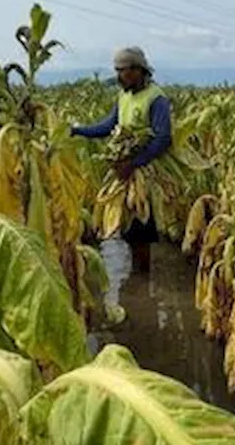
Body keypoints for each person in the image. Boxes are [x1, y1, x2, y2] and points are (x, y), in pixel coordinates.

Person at [69, 46, 172, 274]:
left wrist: (133, 163)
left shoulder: (156, 99)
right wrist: (77, 131)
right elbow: (108, 126)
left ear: (138, 70)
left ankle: (144, 280)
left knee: (141, 229)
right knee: (126, 227)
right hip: (124, 170)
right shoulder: (124, 96)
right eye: (117, 70)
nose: (118, 76)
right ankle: (136, 278)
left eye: (123, 71)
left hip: (144, 172)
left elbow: (163, 138)